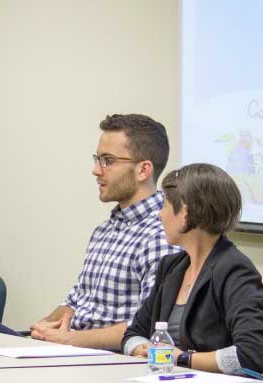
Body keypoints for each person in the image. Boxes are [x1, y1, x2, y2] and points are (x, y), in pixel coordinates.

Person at [29, 114, 182, 350]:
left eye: (107, 161)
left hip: (109, 360)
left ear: (143, 170)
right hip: (69, 351)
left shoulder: (160, 235)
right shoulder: (105, 230)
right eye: (97, 159)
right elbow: (73, 304)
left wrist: (69, 340)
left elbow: (149, 326)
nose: (96, 170)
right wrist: (41, 330)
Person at [122, 163, 263, 375]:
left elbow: (251, 353)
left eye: (164, 205)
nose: (159, 215)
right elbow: (133, 333)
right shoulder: (171, 266)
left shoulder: (235, 269)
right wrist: (142, 348)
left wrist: (181, 358)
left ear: (184, 213)